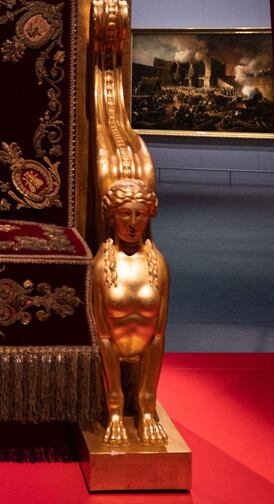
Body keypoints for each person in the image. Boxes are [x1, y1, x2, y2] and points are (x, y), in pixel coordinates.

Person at [92, 178, 169, 445]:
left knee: (155, 338)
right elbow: (103, 337)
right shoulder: (101, 267)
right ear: (112, 217)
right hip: (112, 350)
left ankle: (145, 411)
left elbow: (158, 336)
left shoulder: (158, 264)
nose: (133, 223)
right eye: (125, 213)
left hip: (145, 350)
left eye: (141, 214)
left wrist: (147, 406)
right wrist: (115, 409)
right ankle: (115, 413)